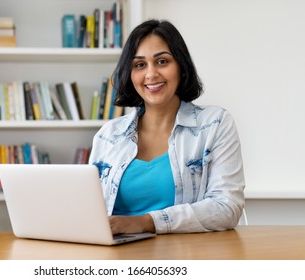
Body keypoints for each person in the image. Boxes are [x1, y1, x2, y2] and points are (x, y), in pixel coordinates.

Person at [88, 19, 245, 234]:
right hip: (115, 255)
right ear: (130, 73)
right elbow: (90, 210)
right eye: (140, 65)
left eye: (162, 61)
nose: (151, 74)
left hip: (187, 256)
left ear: (181, 66)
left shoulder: (214, 124)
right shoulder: (108, 135)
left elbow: (226, 207)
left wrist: (146, 222)